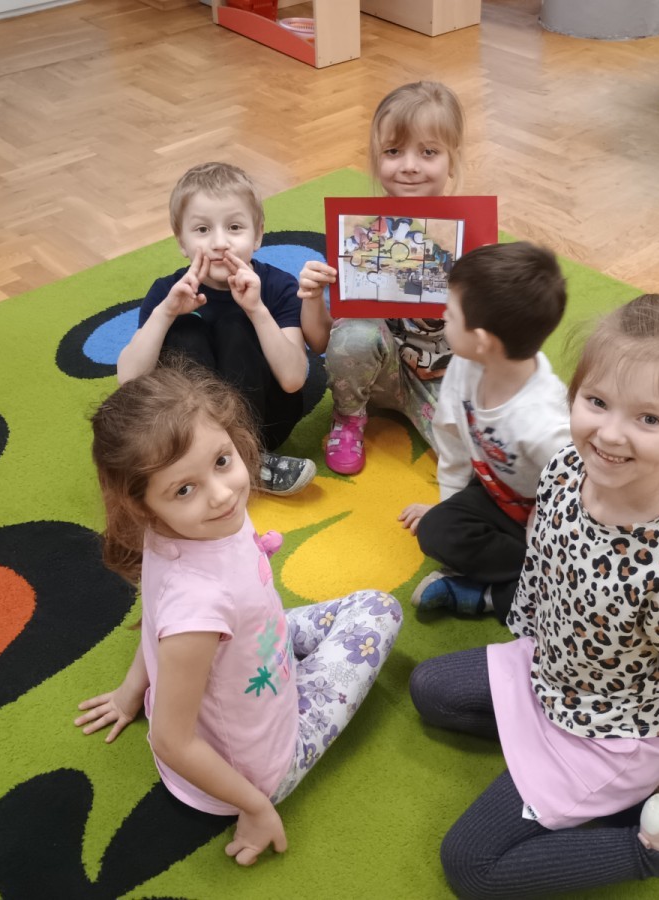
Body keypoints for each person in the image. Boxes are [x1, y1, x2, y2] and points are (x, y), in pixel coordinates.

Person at [408, 295, 659, 898]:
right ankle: (610, 792)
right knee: (429, 689)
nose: (610, 434)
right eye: (597, 402)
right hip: (550, 674)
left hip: (610, 735)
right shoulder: (566, 467)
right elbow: (542, 564)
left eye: (649, 419)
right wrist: (527, 638)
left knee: (470, 867)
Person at [76, 363, 402, 866]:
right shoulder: (197, 608)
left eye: (222, 461)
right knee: (381, 611)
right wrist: (255, 805)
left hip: (250, 652)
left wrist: (130, 691)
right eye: (184, 489)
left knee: (362, 606)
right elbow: (170, 740)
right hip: (260, 765)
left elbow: (156, 621)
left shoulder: (174, 530)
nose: (222, 493)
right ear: (141, 505)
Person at [116, 161, 316, 495]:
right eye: (202, 230)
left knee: (235, 324)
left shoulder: (277, 286)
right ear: (182, 242)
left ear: (258, 235)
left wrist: (257, 310)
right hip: (190, 433)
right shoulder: (167, 291)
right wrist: (166, 313)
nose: (220, 243)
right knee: (184, 330)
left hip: (265, 424)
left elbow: (294, 378)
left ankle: (249, 456)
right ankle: (209, 457)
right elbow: (129, 379)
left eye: (235, 227)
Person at [297, 81, 466, 476]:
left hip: (444, 380)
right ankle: (348, 417)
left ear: (452, 159)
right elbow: (322, 342)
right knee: (355, 334)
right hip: (378, 377)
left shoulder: (466, 236)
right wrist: (312, 295)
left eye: (428, 152)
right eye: (393, 151)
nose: (409, 165)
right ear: (376, 158)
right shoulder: (357, 234)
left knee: (482, 464)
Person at [397, 242, 570, 623]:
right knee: (435, 531)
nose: (442, 316)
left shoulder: (545, 425)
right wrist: (449, 505)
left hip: (547, 522)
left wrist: (545, 552)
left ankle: (500, 595)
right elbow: (451, 437)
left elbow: (575, 502)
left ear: (482, 341)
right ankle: (525, 584)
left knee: (563, 595)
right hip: (495, 495)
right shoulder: (464, 365)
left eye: (450, 314)